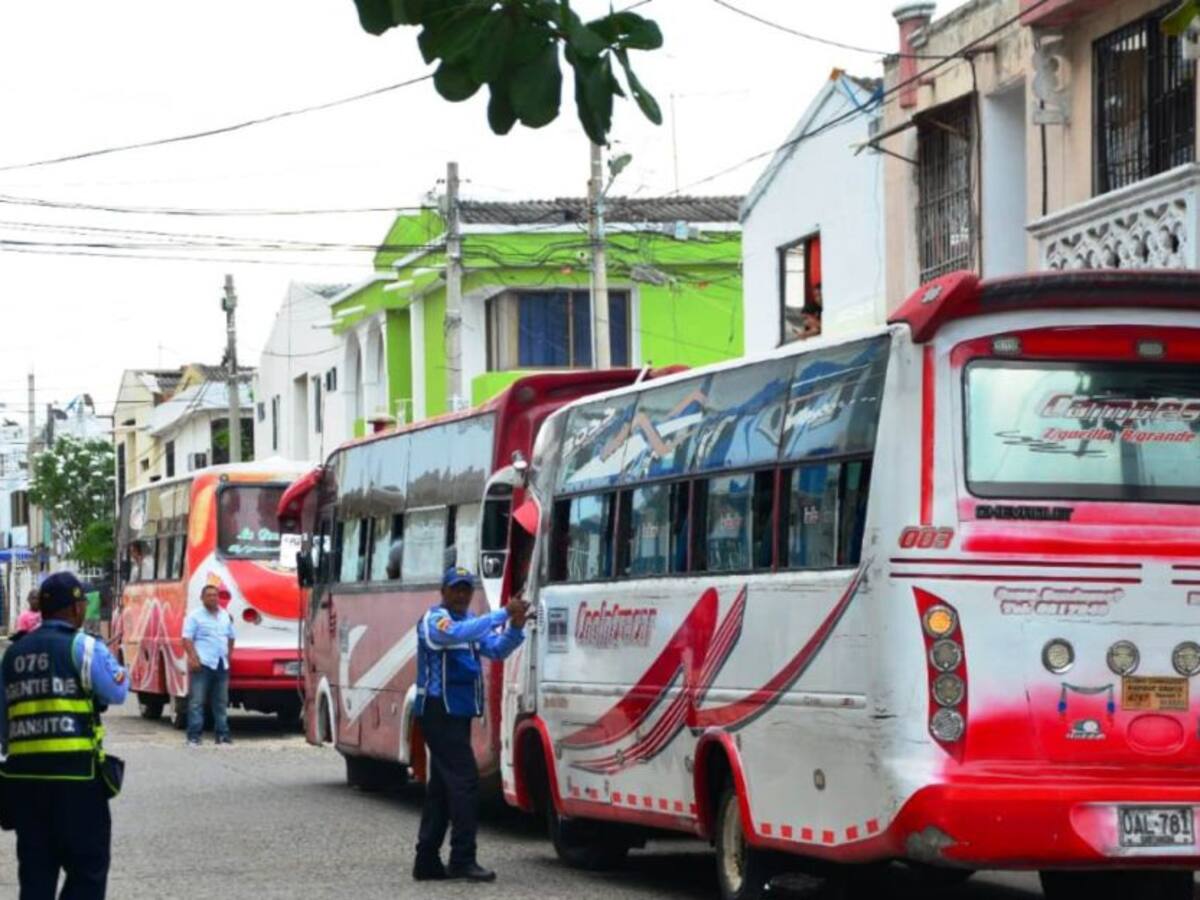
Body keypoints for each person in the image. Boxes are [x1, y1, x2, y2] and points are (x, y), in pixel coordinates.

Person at [0, 571, 129, 899]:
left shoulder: (13, 655)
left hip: (25, 782)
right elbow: (117, 691)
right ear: (74, 609)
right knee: (87, 871)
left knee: (36, 876)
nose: (84, 608)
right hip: (78, 781)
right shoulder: (84, 647)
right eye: (82, 602)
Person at [412, 567, 532, 883]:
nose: (462, 595)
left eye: (466, 590)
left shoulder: (471, 623)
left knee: (441, 787)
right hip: (438, 712)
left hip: (458, 714)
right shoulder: (435, 620)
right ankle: (462, 858)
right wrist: (503, 613)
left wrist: (515, 627)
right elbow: (452, 635)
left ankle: (426, 859)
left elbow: (497, 649)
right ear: (444, 591)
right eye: (456, 589)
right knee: (465, 784)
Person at [181, 585, 236, 747]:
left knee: (220, 702)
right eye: (209, 595)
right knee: (197, 702)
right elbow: (186, 639)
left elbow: (231, 636)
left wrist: (229, 655)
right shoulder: (195, 617)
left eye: (215, 595)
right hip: (202, 664)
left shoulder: (225, 615)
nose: (213, 598)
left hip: (221, 664)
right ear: (202, 598)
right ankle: (194, 737)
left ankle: (222, 736)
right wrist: (193, 658)